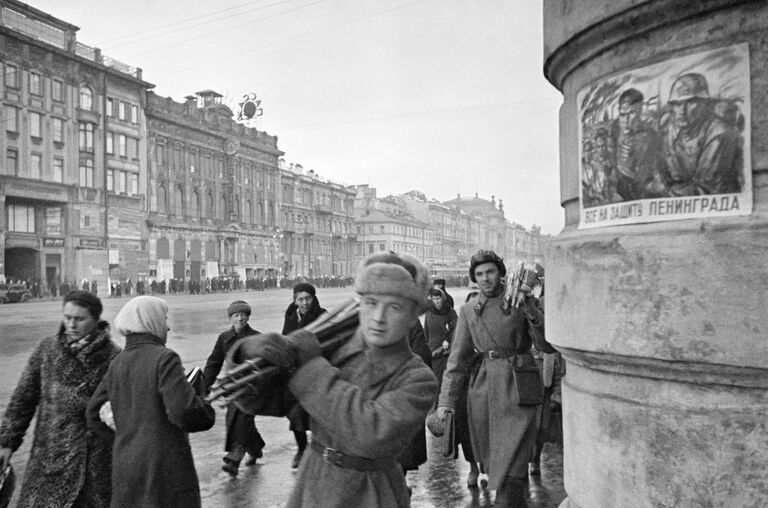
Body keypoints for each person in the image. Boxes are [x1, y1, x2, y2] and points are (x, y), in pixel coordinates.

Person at [252, 252, 439, 507]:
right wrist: (253, 353)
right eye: (371, 303)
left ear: (411, 317)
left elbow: (369, 433)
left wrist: (309, 366)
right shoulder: (337, 349)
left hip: (370, 491)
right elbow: (273, 402)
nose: (378, 317)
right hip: (314, 482)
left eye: (394, 307)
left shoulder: (418, 379)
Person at [435, 250, 555, 507]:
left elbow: (546, 346)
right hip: (484, 393)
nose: (485, 278)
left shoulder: (519, 301)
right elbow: (456, 362)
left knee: (510, 472)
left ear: (500, 273)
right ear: (474, 279)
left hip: (519, 388)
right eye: (479, 274)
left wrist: (532, 311)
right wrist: (445, 403)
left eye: (490, 272)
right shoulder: (469, 311)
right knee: (499, 467)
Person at [87, 295, 215, 508]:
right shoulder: (164, 358)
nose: (168, 327)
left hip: (126, 464)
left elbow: (93, 414)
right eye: (164, 319)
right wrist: (204, 406)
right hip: (165, 468)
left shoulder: (118, 363)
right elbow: (184, 412)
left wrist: (125, 439)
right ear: (150, 321)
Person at [0, 290, 120, 507]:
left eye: (79, 319)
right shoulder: (48, 351)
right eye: (67, 318)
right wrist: (7, 442)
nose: (71, 325)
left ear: (96, 320)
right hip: (49, 459)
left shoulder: (114, 358)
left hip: (95, 466)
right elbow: (23, 398)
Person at [204, 300, 266, 476]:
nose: (240, 319)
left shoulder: (256, 336)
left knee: (242, 419)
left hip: (251, 387)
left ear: (248, 317)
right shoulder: (224, 338)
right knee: (235, 419)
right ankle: (255, 447)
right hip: (231, 387)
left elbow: (263, 363)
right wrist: (205, 386)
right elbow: (214, 362)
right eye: (236, 315)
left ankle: (234, 458)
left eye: (243, 315)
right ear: (230, 318)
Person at [661, 72, 743, 196]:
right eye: (677, 104)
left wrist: (664, 191)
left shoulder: (720, 133)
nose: (682, 111)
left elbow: (706, 189)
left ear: (705, 103)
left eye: (690, 102)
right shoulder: (671, 133)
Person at [281, 283, 326, 469]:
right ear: (294, 300)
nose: (305, 302)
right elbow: (285, 338)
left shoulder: (323, 315)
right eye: (300, 299)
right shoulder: (291, 316)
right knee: (295, 413)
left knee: (318, 413)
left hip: (317, 370)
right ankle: (301, 448)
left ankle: (320, 449)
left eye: (308, 298)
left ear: (314, 298)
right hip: (296, 372)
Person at [611, 88, 664, 201]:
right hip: (619, 188)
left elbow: (646, 176)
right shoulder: (615, 129)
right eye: (622, 114)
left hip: (639, 193)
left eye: (631, 113)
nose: (626, 120)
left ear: (639, 110)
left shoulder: (649, 137)